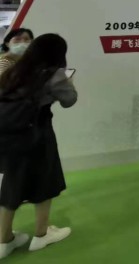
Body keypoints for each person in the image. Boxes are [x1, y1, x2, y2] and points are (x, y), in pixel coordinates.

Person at [0, 34, 77, 258]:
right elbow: (69, 100)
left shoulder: (13, 70)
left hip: (8, 136)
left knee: (12, 183)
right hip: (37, 134)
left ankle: (4, 240)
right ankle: (41, 235)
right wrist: (70, 82)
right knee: (44, 181)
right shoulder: (53, 74)